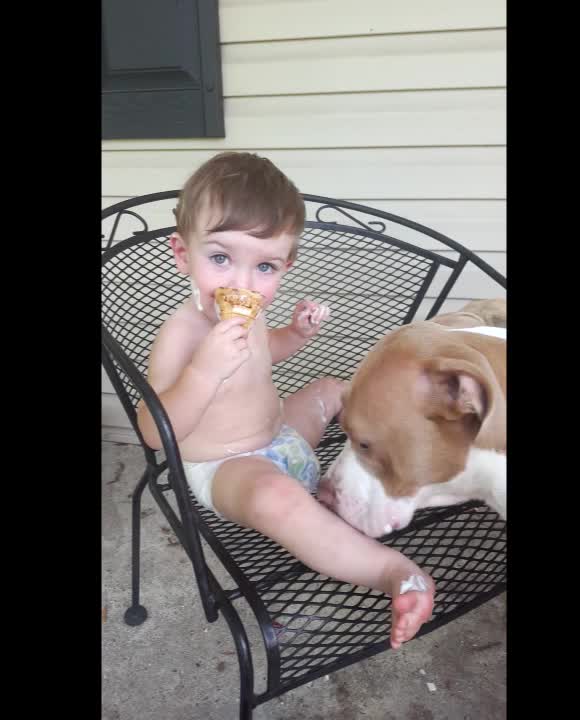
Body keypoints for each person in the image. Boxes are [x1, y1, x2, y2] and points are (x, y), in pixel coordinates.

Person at [136, 151, 435, 649]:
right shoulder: (182, 332)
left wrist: (294, 334)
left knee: (329, 389)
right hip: (228, 468)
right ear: (182, 254)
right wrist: (203, 371)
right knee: (279, 501)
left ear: (286, 266)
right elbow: (153, 429)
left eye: (265, 267)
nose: (242, 285)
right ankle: (397, 575)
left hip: (281, 436)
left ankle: (409, 459)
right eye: (219, 258)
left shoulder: (246, 316)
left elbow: (265, 351)